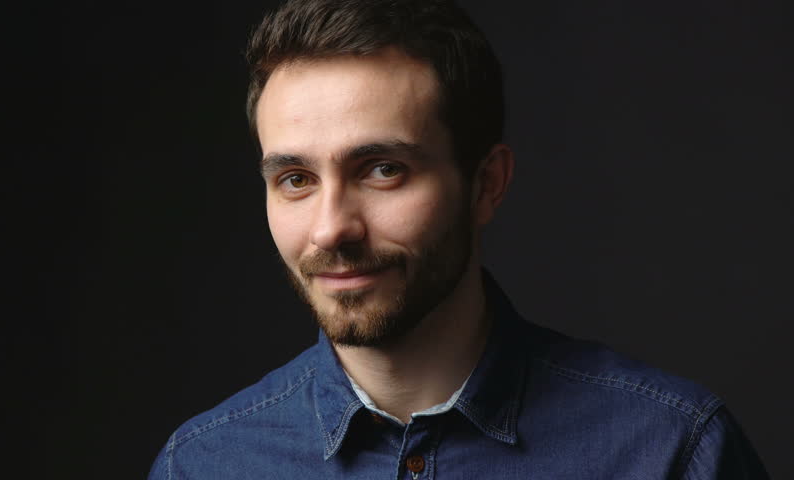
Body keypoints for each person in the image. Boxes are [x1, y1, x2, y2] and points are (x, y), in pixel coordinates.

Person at [149, 0, 769, 478]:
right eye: (295, 179)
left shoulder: (670, 450)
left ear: (486, 184)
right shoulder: (202, 463)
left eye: (383, 170)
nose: (331, 227)